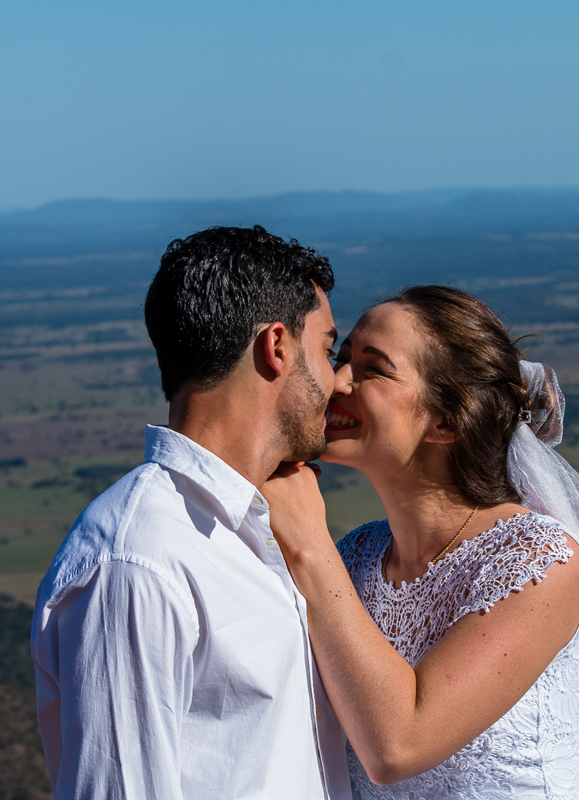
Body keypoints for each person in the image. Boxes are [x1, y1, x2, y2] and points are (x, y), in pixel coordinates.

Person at [263, 286, 579, 800]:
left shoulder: (537, 563)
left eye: (373, 368)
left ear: (447, 420)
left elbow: (397, 747)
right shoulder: (355, 556)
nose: (336, 381)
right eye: (342, 358)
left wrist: (308, 541)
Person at [31, 225, 352, 799]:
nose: (339, 379)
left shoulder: (259, 525)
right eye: (327, 350)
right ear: (276, 347)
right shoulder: (138, 561)